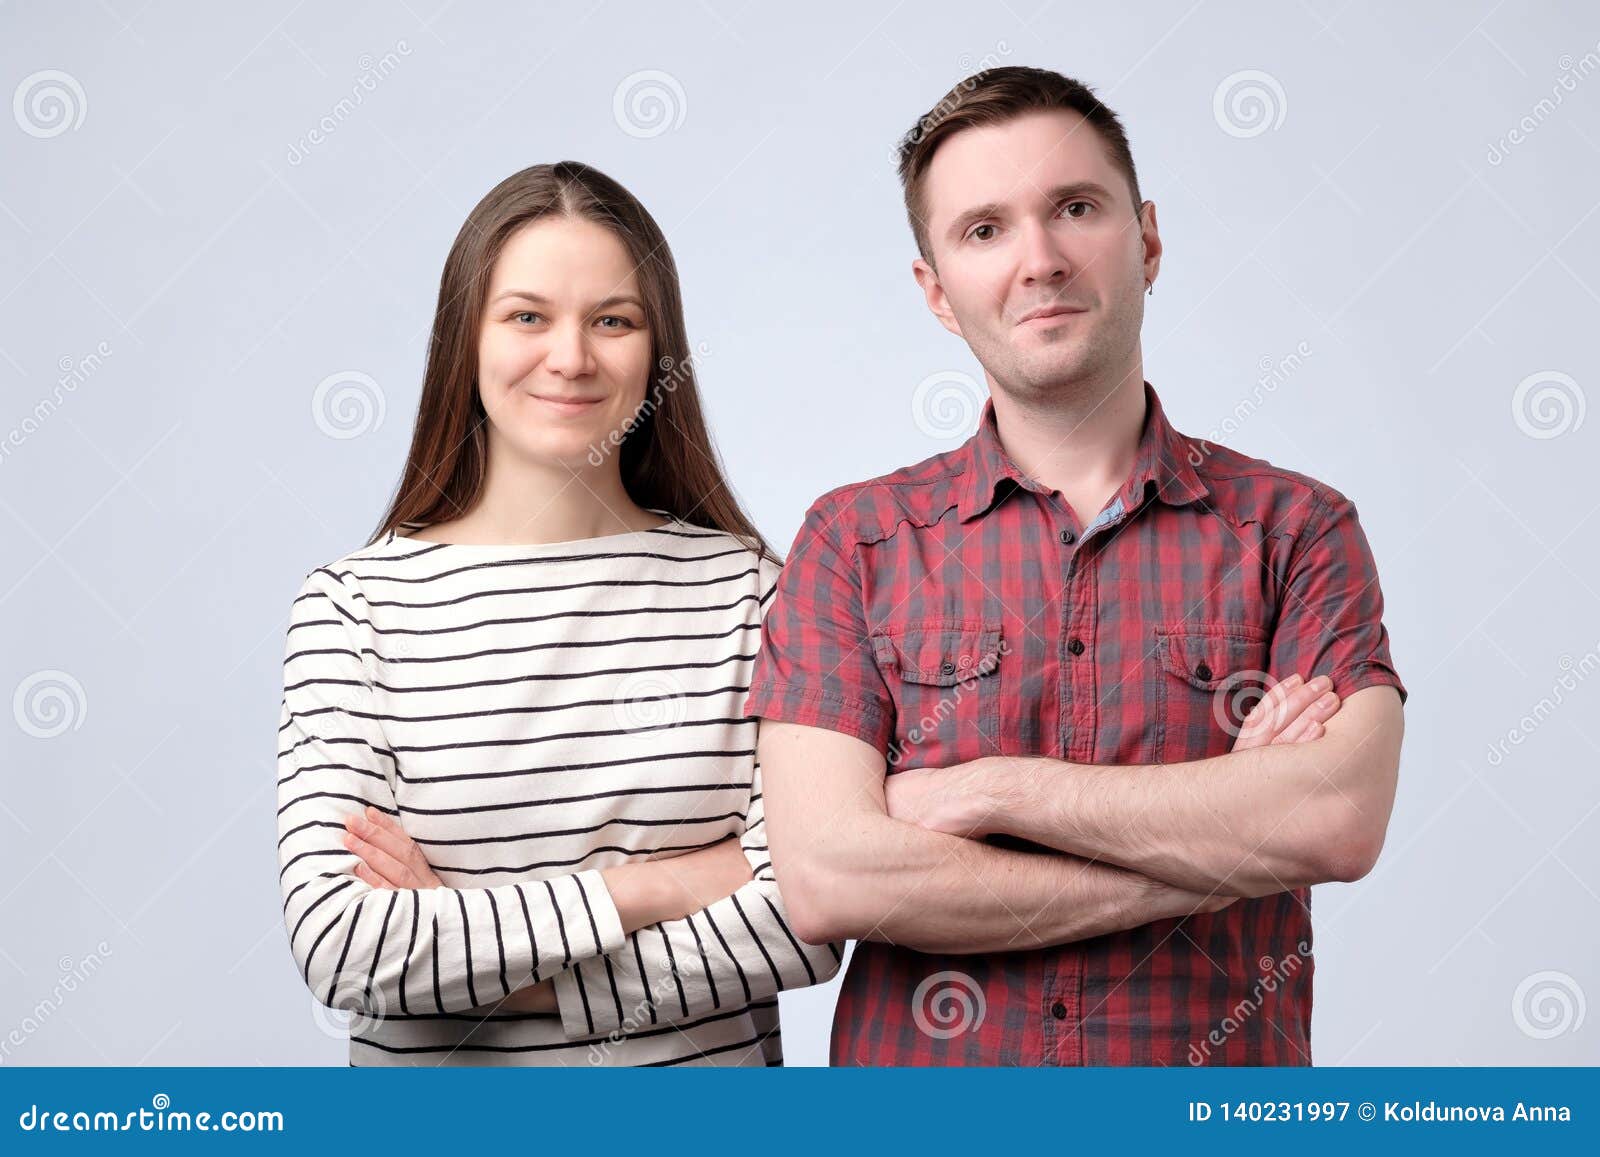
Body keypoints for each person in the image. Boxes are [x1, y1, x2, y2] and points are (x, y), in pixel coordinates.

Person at [748, 66, 1406, 1066]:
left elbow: (1333, 817)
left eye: (1074, 208)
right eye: (983, 230)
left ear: (1145, 239)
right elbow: (834, 878)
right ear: (935, 290)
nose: (1040, 260)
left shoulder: (1298, 530)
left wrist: (990, 791)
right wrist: (1222, 843)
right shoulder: (853, 541)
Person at [276, 161, 840, 1066]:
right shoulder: (354, 609)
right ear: (466, 338)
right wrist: (668, 884)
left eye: (613, 320)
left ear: (659, 351)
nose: (571, 357)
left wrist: (464, 943)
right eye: (527, 315)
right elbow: (345, 947)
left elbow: (805, 921)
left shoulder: (754, 594)